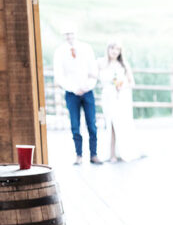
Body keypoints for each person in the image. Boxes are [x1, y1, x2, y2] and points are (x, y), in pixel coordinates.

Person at [53, 24, 102, 165]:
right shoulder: (60, 52)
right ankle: (78, 155)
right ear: (63, 35)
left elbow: (93, 69)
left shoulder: (86, 48)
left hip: (87, 91)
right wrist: (74, 88)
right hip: (71, 93)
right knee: (75, 125)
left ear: (75, 34)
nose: (69, 36)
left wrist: (87, 86)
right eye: (66, 34)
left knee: (92, 124)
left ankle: (94, 154)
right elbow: (59, 75)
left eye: (71, 33)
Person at [100, 42, 139, 161]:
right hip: (108, 97)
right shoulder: (102, 64)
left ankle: (123, 151)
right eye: (112, 48)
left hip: (121, 97)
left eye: (117, 49)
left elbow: (132, 83)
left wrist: (122, 86)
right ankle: (112, 154)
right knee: (110, 123)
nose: (114, 51)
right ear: (108, 49)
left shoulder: (123, 65)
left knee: (121, 124)